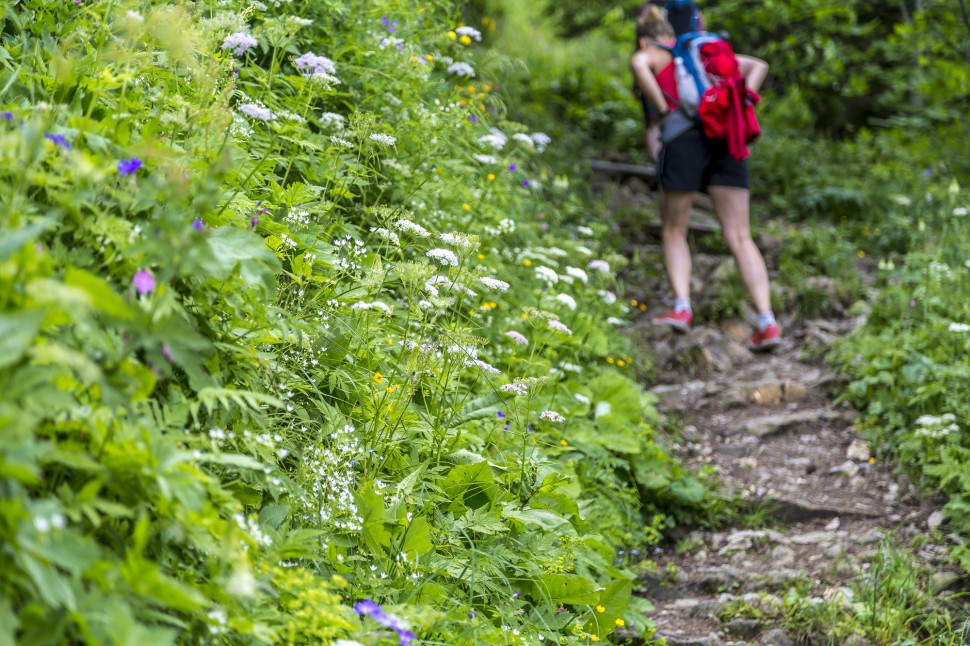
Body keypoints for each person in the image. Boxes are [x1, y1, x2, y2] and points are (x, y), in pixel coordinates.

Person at [630, 5, 781, 351]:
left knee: (674, 228)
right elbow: (759, 66)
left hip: (683, 140)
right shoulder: (710, 51)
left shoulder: (658, 55)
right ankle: (767, 320)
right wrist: (743, 104)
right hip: (727, 139)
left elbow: (639, 66)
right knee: (741, 235)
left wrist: (664, 108)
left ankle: (682, 308)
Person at [635, 1, 706, 161]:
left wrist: (663, 110)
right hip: (688, 66)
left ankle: (659, 163)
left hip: (655, 67)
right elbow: (701, 32)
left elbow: (641, 41)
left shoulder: (649, 7)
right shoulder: (690, 6)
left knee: (653, 123)